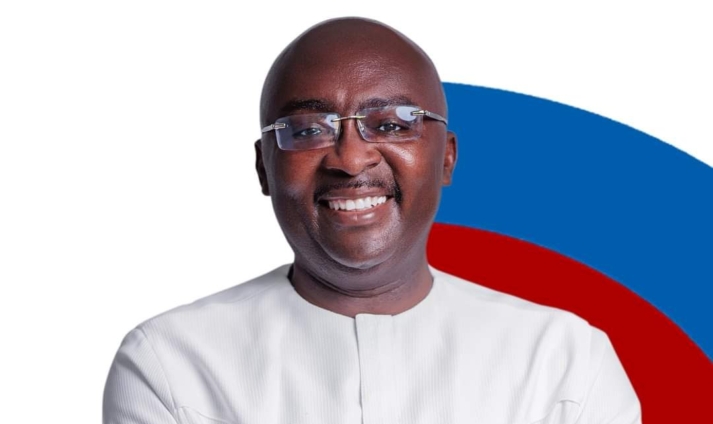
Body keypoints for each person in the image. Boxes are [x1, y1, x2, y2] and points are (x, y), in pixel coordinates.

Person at [103, 17, 641, 424]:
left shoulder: (564, 363)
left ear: (447, 158)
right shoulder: (171, 364)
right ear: (264, 168)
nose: (351, 158)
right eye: (307, 129)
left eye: (393, 123)